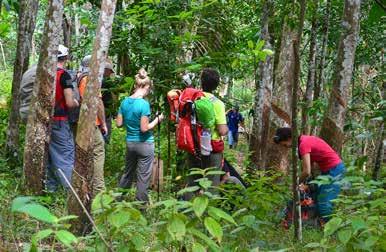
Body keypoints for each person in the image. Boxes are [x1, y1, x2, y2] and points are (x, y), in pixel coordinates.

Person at [273, 127, 345, 222]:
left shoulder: (304, 144)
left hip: (335, 170)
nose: (286, 147)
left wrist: (296, 183)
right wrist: (304, 184)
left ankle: (332, 231)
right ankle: (319, 225)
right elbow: (309, 168)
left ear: (290, 138)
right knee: (316, 198)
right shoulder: (304, 141)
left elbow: (307, 171)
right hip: (327, 171)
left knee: (324, 204)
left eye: (285, 144)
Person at [116, 68, 164, 202]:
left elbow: (119, 124)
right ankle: (141, 205)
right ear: (146, 86)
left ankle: (117, 200)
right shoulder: (144, 104)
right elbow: (144, 128)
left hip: (130, 143)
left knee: (128, 173)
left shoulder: (124, 102)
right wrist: (157, 119)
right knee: (143, 177)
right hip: (145, 144)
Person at [185, 68, 228, 199]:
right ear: (217, 84)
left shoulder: (193, 100)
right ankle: (209, 215)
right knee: (212, 183)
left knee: (193, 182)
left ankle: (189, 214)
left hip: (193, 146)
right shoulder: (218, 104)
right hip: (212, 149)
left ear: (201, 82)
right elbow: (222, 130)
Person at [46, 45, 79, 192]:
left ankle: (51, 189)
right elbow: (70, 103)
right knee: (65, 154)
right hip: (59, 120)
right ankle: (69, 191)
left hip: (45, 120)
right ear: (65, 58)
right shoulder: (64, 75)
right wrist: (77, 102)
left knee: (50, 156)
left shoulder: (45, 74)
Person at [77, 55, 109, 197]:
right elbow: (97, 103)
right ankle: (99, 190)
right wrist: (103, 123)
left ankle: (86, 186)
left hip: (80, 122)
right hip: (90, 123)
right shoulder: (89, 79)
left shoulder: (78, 77)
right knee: (98, 151)